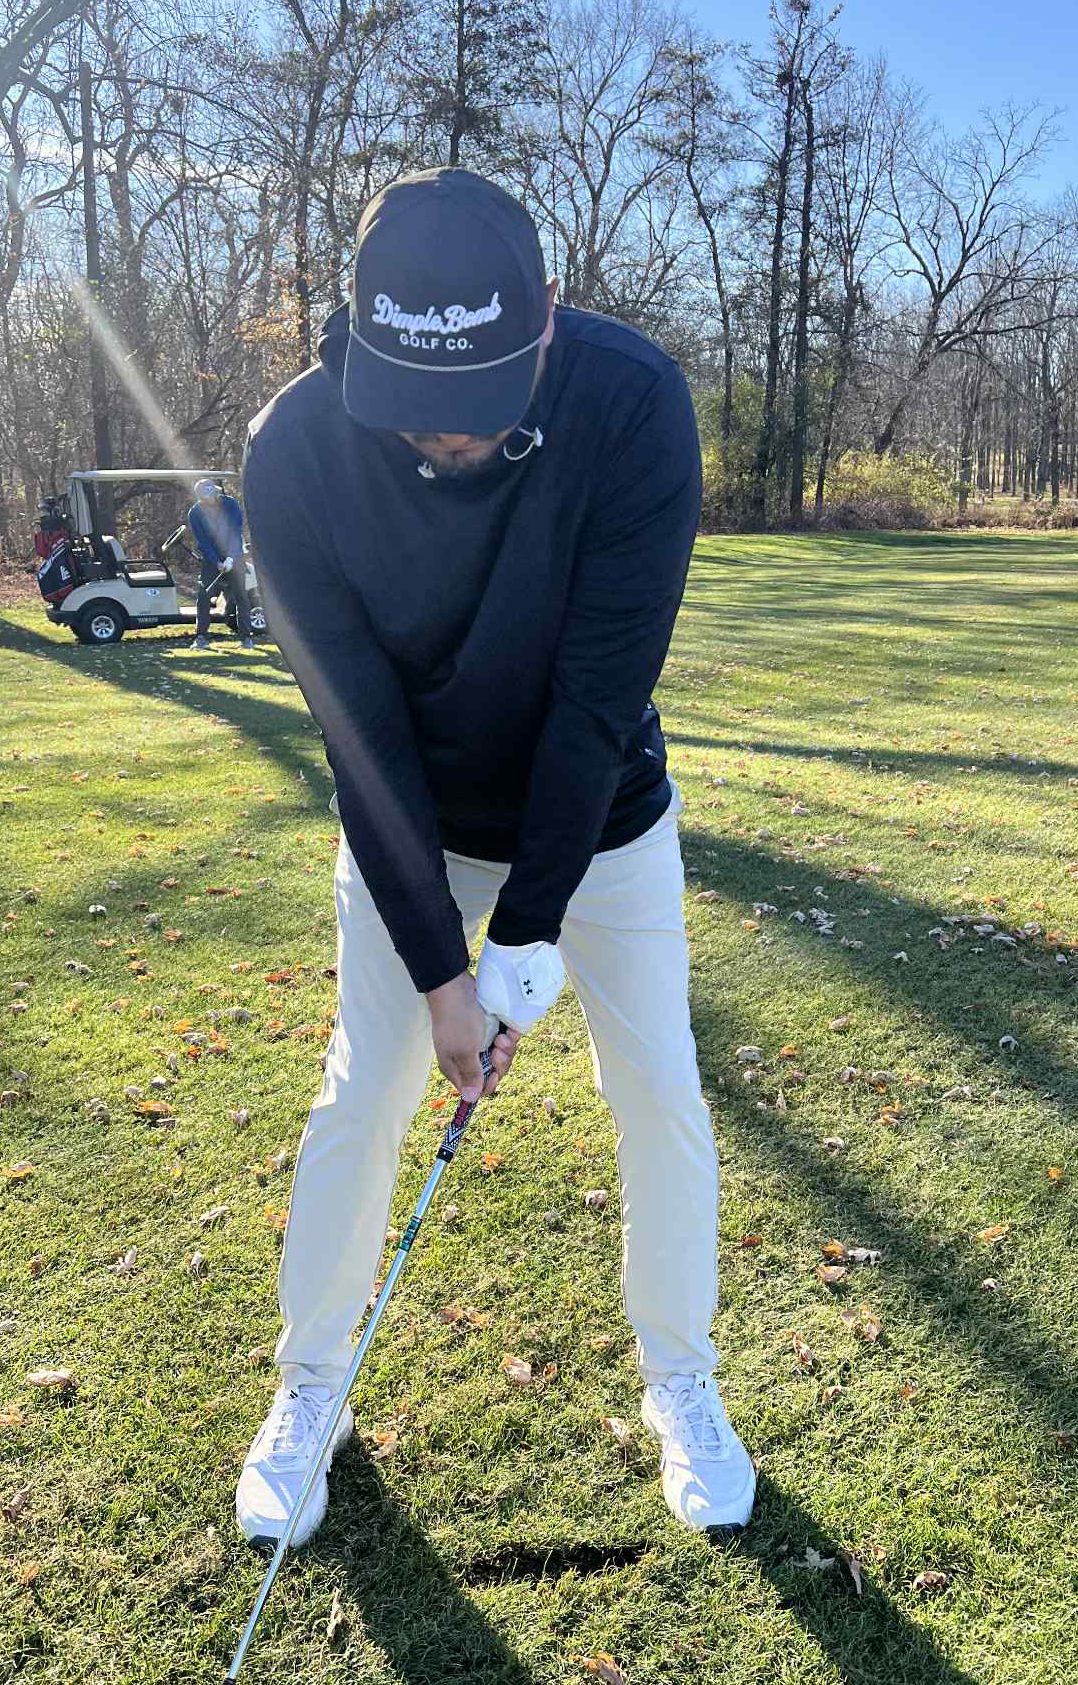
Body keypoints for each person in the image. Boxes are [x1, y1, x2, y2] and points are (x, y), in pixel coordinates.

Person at [238, 167, 754, 1547]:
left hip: (603, 818)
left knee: (661, 1089)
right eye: (415, 409)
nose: (448, 442)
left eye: (480, 404)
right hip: (411, 823)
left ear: (546, 326)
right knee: (367, 1089)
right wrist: (439, 971)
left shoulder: (634, 406)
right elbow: (361, 739)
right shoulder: (291, 453)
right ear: (354, 338)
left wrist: (522, 943)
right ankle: (309, 1391)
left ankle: (682, 1383)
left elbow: (600, 697)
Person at [186, 476, 255, 648]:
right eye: (211, 495)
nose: (216, 497)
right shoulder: (195, 513)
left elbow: (235, 531)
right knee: (203, 595)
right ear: (202, 498)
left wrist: (231, 557)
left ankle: (246, 638)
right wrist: (217, 561)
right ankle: (201, 637)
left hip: (235, 556)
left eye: (215, 492)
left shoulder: (230, 504)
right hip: (212, 560)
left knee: (241, 596)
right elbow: (203, 541)